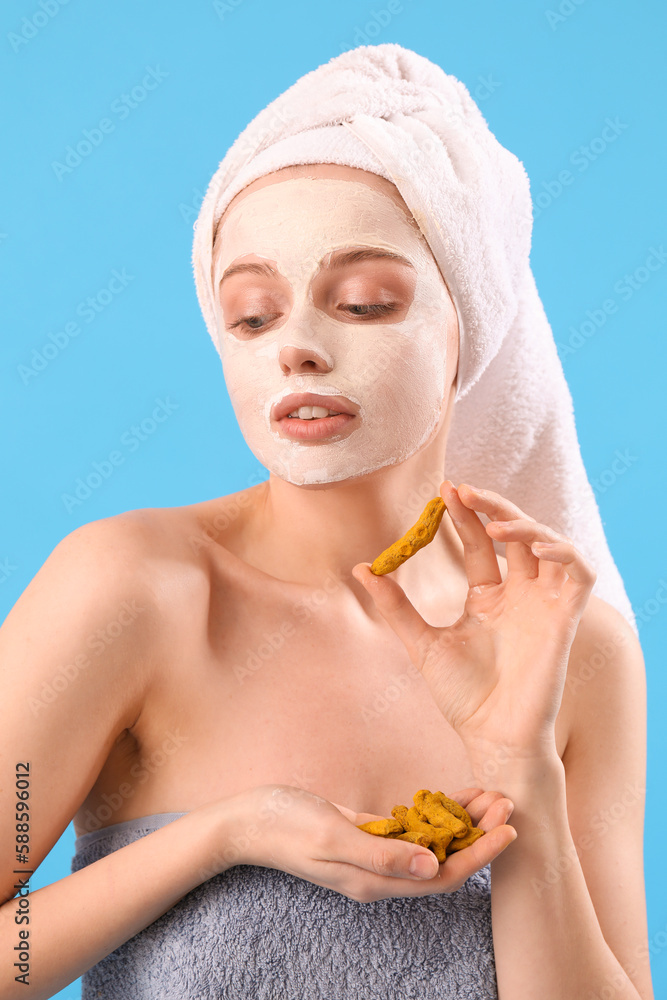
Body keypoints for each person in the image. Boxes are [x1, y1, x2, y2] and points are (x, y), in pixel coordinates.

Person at [0, 45, 652, 1000]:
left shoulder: (572, 647)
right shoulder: (134, 589)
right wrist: (227, 834)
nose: (299, 347)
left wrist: (522, 776)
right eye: (252, 316)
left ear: (468, 321)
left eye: (362, 302)